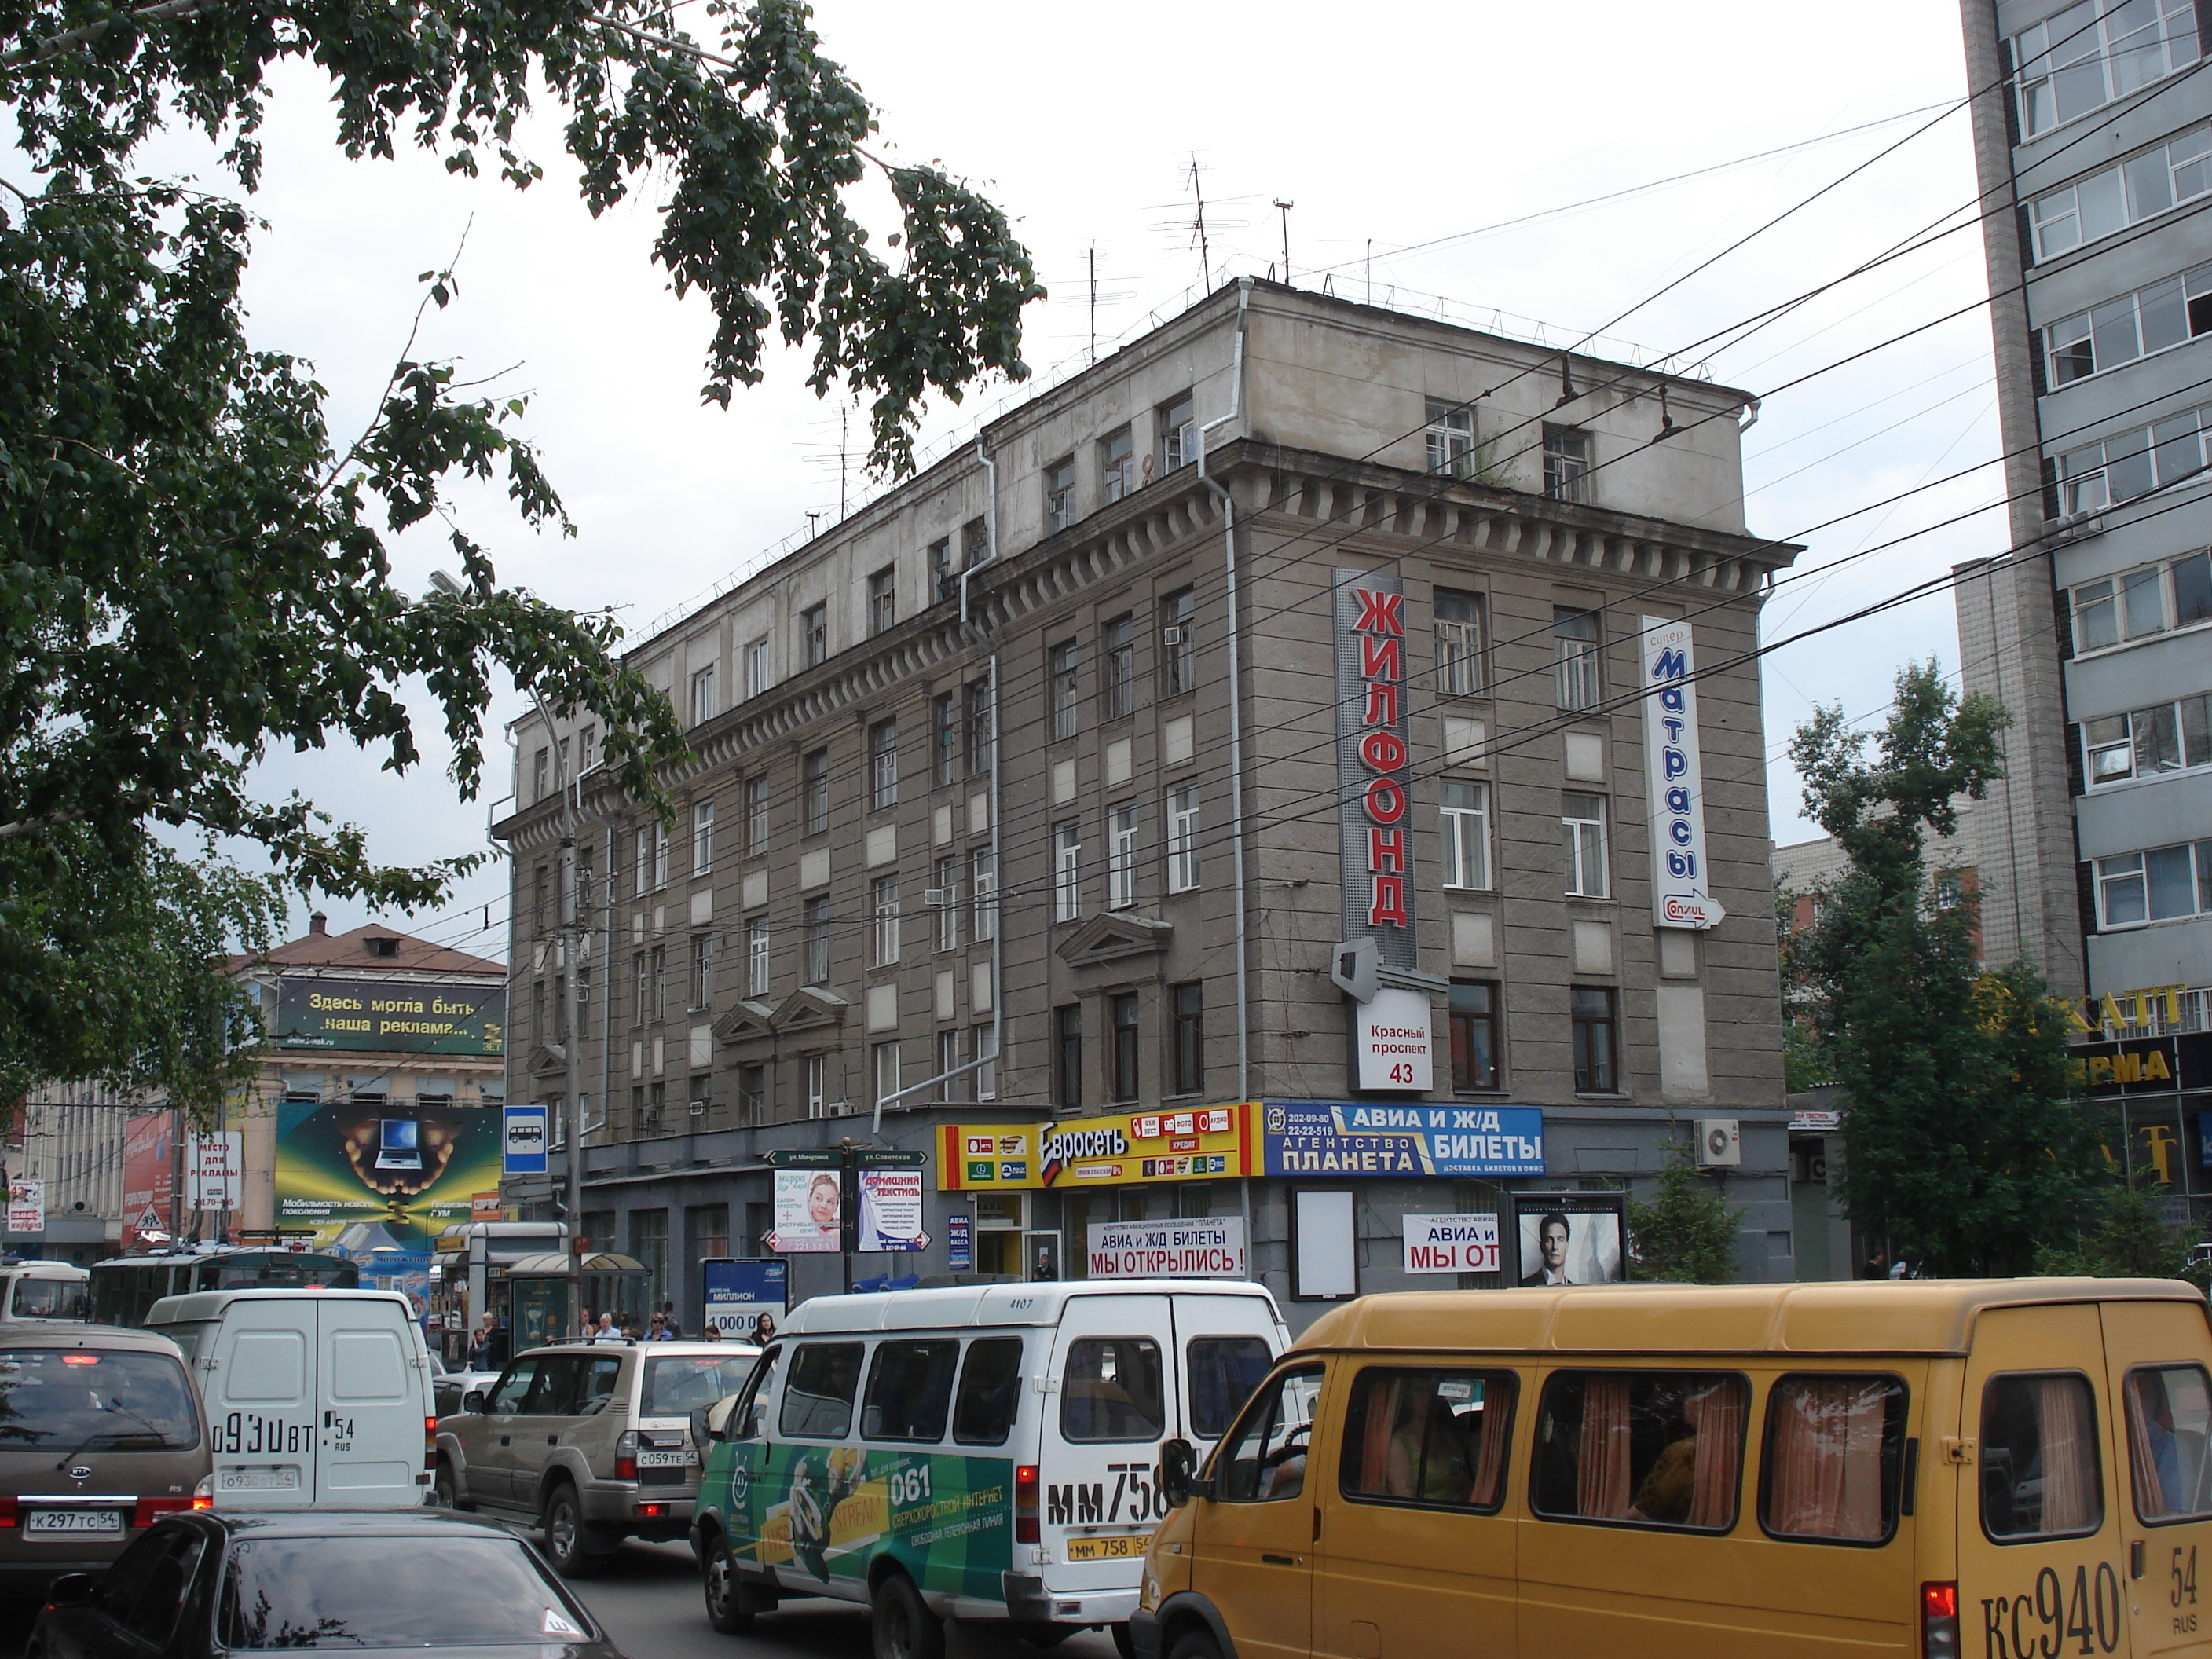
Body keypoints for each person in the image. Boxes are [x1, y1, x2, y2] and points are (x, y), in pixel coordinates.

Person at [1521, 1213, 1573, 1286]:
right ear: (1541, 1246)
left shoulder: (1574, 1288)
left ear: (1567, 1246)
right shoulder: (1525, 1285)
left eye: (1560, 1240)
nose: (1555, 1247)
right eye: (1549, 1240)